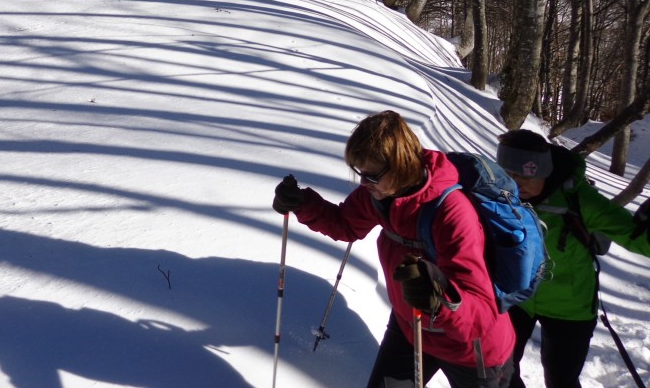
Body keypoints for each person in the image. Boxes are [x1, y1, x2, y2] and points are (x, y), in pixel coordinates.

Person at [273, 110, 515, 388]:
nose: (364, 183)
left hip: (471, 348)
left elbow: (481, 312)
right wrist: (302, 203)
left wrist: (439, 298)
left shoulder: (452, 213)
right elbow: (345, 225)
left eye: (372, 175)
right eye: (359, 173)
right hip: (410, 326)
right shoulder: (379, 195)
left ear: (400, 164)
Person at [495, 129, 650, 388]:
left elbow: (635, 239)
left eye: (525, 175)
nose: (516, 185)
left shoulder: (579, 200)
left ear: (544, 170)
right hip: (516, 300)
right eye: (508, 176)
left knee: (561, 380)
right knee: (501, 373)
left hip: (570, 307)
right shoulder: (498, 195)